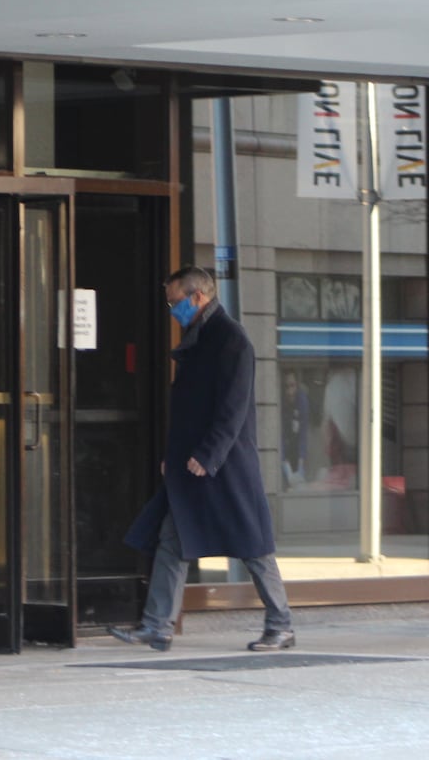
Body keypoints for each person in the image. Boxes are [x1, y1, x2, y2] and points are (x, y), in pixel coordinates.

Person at [108, 267, 294, 653]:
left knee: (253, 545)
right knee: (172, 540)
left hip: (224, 464)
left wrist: (208, 456)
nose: (172, 309)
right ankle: (157, 626)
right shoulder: (203, 336)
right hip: (195, 461)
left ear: (197, 297)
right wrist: (174, 458)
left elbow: (233, 408)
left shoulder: (231, 339)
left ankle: (281, 625)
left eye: (175, 302)